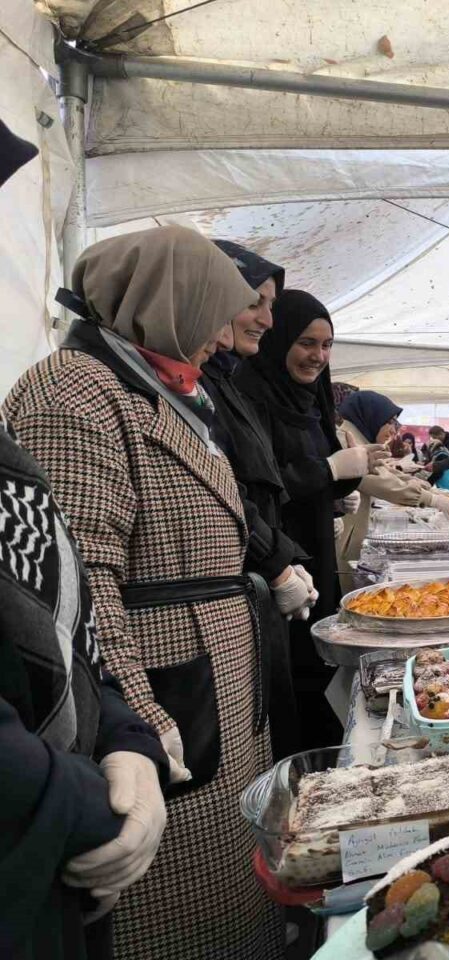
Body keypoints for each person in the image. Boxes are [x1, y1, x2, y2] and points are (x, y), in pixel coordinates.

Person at [4, 225, 286, 958]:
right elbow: (78, 577)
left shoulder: (153, 386)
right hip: (166, 693)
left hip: (212, 684)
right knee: (176, 913)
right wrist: (137, 715)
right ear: (166, 301)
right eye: (212, 314)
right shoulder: (73, 390)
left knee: (229, 887)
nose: (225, 337)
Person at [0, 116, 169, 960]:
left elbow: (57, 602)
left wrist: (124, 734)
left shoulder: (167, 390)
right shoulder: (75, 386)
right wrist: (91, 790)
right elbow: (96, 564)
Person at [236, 289, 385, 750]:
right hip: (276, 562)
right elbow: (255, 485)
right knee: (295, 674)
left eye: (326, 345)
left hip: (315, 549)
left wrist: (342, 488)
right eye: (306, 343)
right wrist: (329, 470)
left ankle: (325, 753)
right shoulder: (250, 394)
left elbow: (316, 467)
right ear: (280, 339)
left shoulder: (311, 399)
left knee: (321, 665)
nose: (317, 356)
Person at [206, 240, 316, 758]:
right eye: (254, 301)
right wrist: (276, 563)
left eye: (271, 305)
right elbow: (223, 489)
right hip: (238, 590)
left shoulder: (220, 380)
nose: (267, 320)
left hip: (265, 576)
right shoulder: (219, 386)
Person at [336, 390, 449, 591]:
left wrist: (429, 491)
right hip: (343, 536)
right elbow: (379, 481)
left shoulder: (358, 439)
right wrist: (430, 499)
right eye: (390, 422)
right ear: (371, 415)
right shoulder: (346, 440)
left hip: (352, 531)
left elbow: (385, 472)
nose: (393, 430)